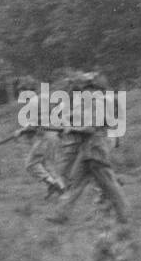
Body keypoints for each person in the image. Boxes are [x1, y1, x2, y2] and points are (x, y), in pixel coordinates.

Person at [50, 73, 128, 224]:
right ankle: (61, 214)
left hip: (97, 149)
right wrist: (67, 125)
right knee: (75, 184)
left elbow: (91, 128)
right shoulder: (92, 102)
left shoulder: (99, 103)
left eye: (86, 88)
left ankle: (124, 215)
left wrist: (70, 129)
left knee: (109, 184)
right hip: (87, 150)